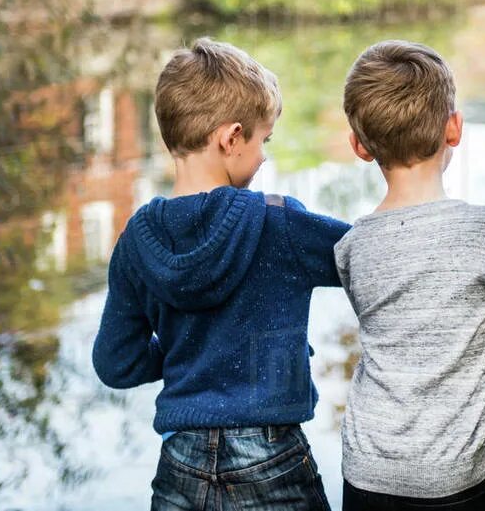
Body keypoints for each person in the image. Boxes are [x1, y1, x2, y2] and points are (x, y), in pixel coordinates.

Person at [91, 37, 349, 511]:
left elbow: (116, 363)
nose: (265, 156)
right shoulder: (280, 223)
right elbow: (369, 255)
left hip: (180, 462)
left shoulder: (134, 240)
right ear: (230, 138)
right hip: (270, 456)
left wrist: (184, 353)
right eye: (262, 140)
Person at [335, 39, 485, 511]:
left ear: (358, 145)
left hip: (366, 472)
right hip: (454, 480)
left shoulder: (352, 246)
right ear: (454, 128)